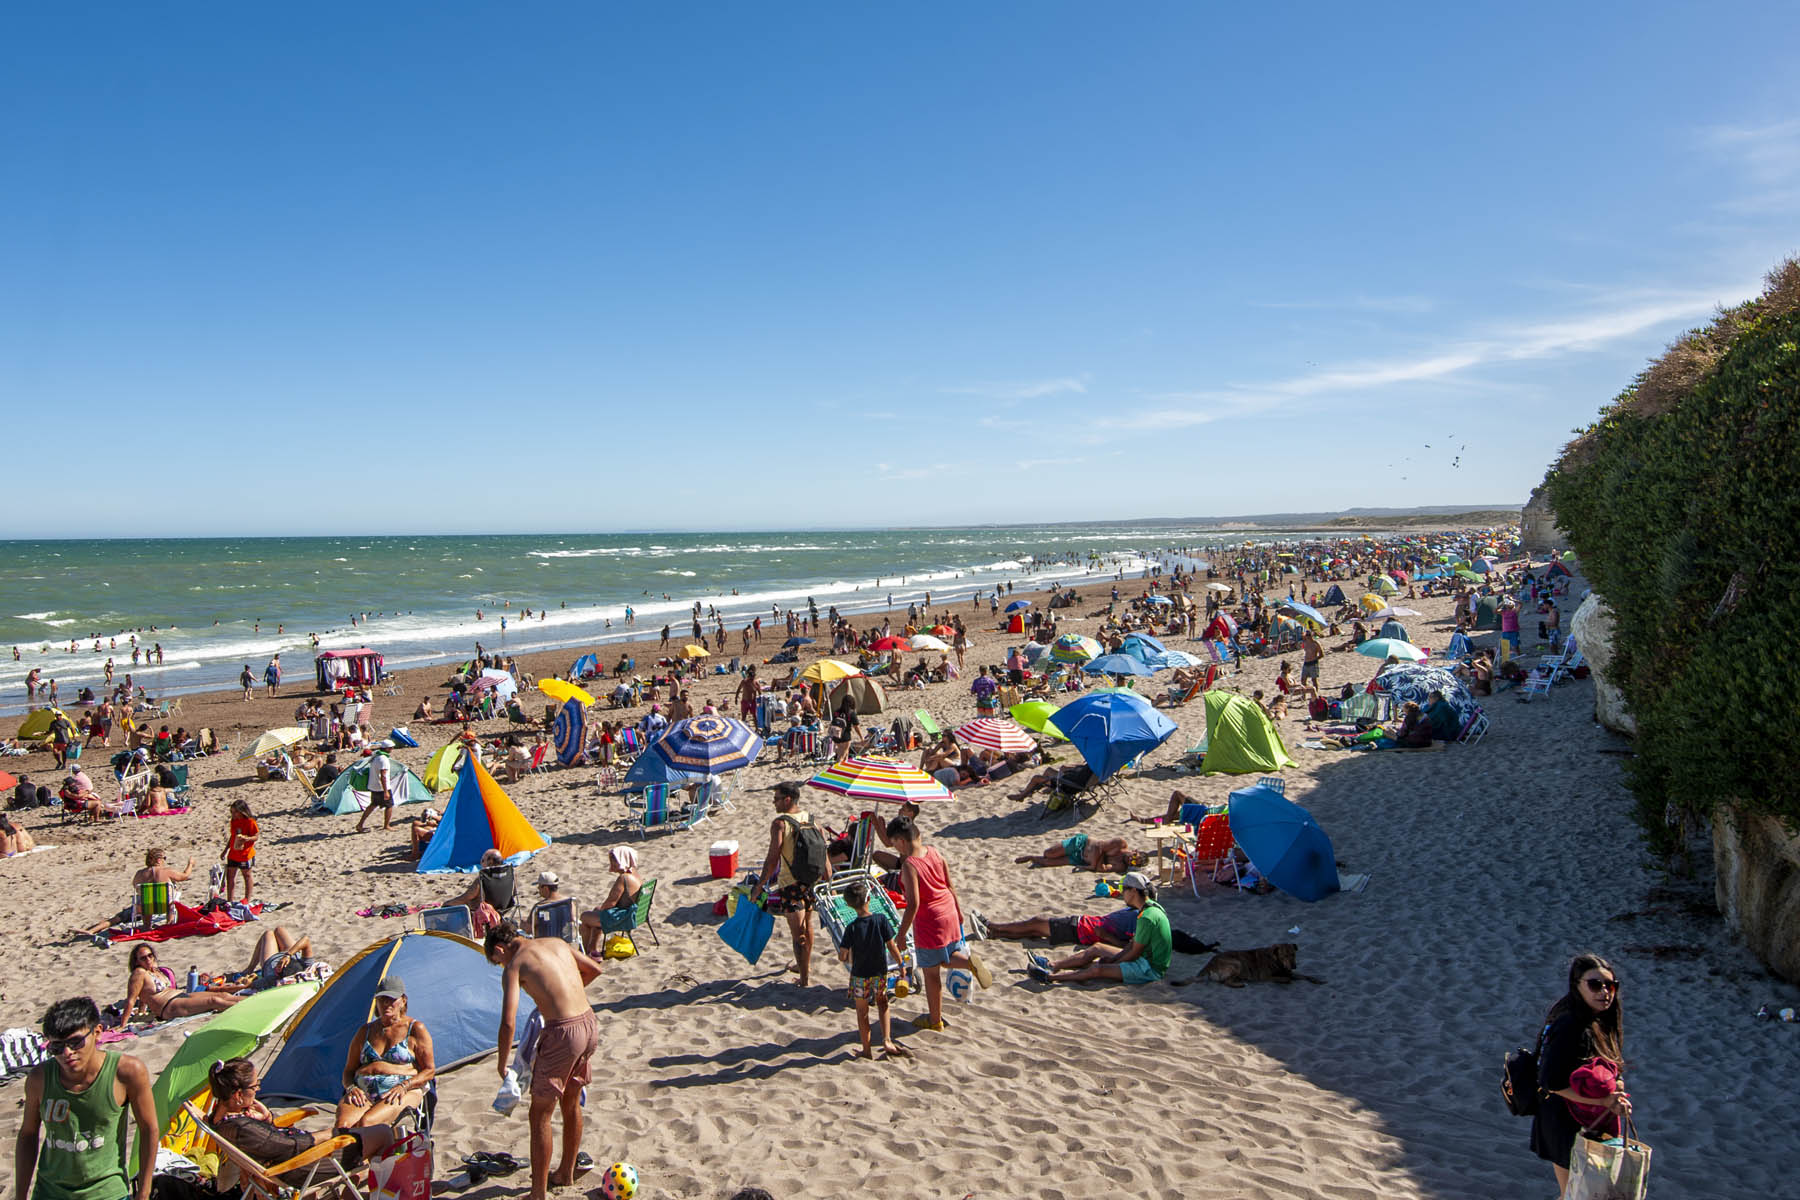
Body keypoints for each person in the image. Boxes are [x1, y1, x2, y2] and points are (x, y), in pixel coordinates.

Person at [486, 922, 604, 1200]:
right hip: (588, 1022)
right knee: (571, 1101)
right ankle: (565, 1172)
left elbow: (507, 1022)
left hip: (562, 1032)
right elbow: (594, 969)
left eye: (497, 960)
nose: (501, 964)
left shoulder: (515, 964)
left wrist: (502, 1064)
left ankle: (538, 1193)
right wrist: (558, 998)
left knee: (539, 1113)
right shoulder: (556, 942)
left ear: (500, 948)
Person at [14, 996, 158, 1200]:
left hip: (107, 1193)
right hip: (50, 1192)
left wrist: (143, 1193)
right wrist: (20, 1195)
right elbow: (28, 1134)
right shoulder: (40, 1078)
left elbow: (149, 1129)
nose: (67, 1053)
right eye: (56, 1048)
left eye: (75, 1042)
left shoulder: (127, 1072)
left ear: (97, 1032)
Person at [1530, 954, 1631, 1196]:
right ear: (1577, 986)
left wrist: (1616, 1084)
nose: (1604, 991)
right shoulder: (1570, 1025)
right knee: (1575, 1193)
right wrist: (1603, 1101)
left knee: (1574, 1193)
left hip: (1582, 1122)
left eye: (1611, 985)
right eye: (1595, 984)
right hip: (1564, 1123)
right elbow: (1550, 1081)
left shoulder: (1598, 1021)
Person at [208, 1058, 393, 1185]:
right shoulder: (242, 1128)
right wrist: (330, 1134)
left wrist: (267, 1119)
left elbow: (268, 1142)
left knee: (361, 1140)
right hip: (300, 1169)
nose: (257, 1090)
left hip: (287, 1161)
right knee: (383, 1134)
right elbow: (290, 1145)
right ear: (239, 1094)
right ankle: (384, 1191)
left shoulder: (220, 1118)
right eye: (255, 1086)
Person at [887, 814, 989, 1032]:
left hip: (930, 922)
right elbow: (950, 886)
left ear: (901, 841)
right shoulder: (934, 852)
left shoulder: (909, 865)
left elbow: (913, 904)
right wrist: (959, 913)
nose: (896, 849)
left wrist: (902, 934)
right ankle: (969, 963)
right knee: (947, 957)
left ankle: (935, 1021)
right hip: (949, 910)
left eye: (894, 844)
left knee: (931, 974)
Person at [1027, 872, 1170, 986]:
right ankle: (1052, 965)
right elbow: (1132, 945)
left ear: (1133, 891)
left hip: (1149, 968)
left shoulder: (1146, 917)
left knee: (1098, 969)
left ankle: (1050, 977)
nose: (1121, 893)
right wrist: (1113, 959)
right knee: (1097, 948)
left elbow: (1134, 953)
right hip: (1144, 957)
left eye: (1123, 889)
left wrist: (1112, 963)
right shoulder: (1150, 908)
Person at [750, 782, 827, 986]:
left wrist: (759, 886)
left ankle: (803, 979)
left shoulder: (780, 824)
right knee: (807, 925)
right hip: (811, 882)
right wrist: (829, 880)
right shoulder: (811, 820)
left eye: (776, 799)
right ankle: (805, 966)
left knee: (797, 934)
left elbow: (772, 858)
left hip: (791, 884)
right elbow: (824, 852)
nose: (773, 802)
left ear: (787, 800)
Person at [335, 976, 435, 1129]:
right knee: (343, 1126)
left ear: (403, 1000)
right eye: (382, 999)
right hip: (363, 1091)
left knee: (366, 1124)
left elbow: (429, 1070)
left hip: (400, 1090)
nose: (386, 1004)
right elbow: (348, 1070)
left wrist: (405, 1085)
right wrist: (351, 1088)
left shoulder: (415, 1029)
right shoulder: (365, 1031)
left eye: (391, 998)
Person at [837, 880, 910, 1060]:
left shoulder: (851, 928)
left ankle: (867, 1049)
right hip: (879, 973)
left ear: (848, 905)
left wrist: (846, 955)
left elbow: (842, 955)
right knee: (883, 1004)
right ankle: (886, 1040)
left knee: (862, 1013)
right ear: (868, 899)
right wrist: (901, 965)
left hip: (860, 975)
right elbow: (892, 946)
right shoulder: (881, 920)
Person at [967, 905, 1138, 949]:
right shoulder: (1137, 913)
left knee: (1035, 923)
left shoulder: (1140, 921)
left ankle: (990, 926)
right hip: (1081, 925)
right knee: (1033, 930)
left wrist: (1107, 937)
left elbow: (1129, 946)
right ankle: (991, 933)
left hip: (1080, 929)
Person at [578, 847, 643, 957]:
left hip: (624, 918)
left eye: (614, 860)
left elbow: (610, 903)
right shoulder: (635, 874)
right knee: (596, 910)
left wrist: (602, 911)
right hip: (633, 914)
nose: (612, 863)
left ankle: (583, 953)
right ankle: (592, 948)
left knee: (585, 917)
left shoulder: (624, 878)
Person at [1014, 833, 1139, 873]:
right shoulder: (1120, 844)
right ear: (1135, 851)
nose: (1130, 860)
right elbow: (1099, 846)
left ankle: (1031, 857)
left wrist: (1094, 863)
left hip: (1081, 859)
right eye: (1133, 857)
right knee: (1048, 853)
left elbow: (1102, 869)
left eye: (1133, 862)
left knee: (1048, 863)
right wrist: (1093, 865)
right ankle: (1031, 856)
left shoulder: (1122, 865)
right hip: (1082, 843)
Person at [224, 799, 259, 902]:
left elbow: (256, 836)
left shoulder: (250, 822)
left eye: (235, 812)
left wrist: (247, 839)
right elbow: (233, 836)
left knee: (247, 875)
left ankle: (247, 900)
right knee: (230, 876)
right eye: (232, 812)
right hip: (233, 853)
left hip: (245, 853)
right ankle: (230, 900)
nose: (233, 814)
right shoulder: (234, 821)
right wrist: (225, 850)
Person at [355, 749, 398, 833]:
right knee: (389, 806)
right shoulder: (383, 759)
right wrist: (386, 791)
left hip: (374, 786)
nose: (392, 750)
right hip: (381, 787)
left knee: (373, 805)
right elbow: (383, 776)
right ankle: (387, 825)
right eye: (391, 748)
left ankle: (360, 824)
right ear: (388, 748)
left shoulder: (375, 757)